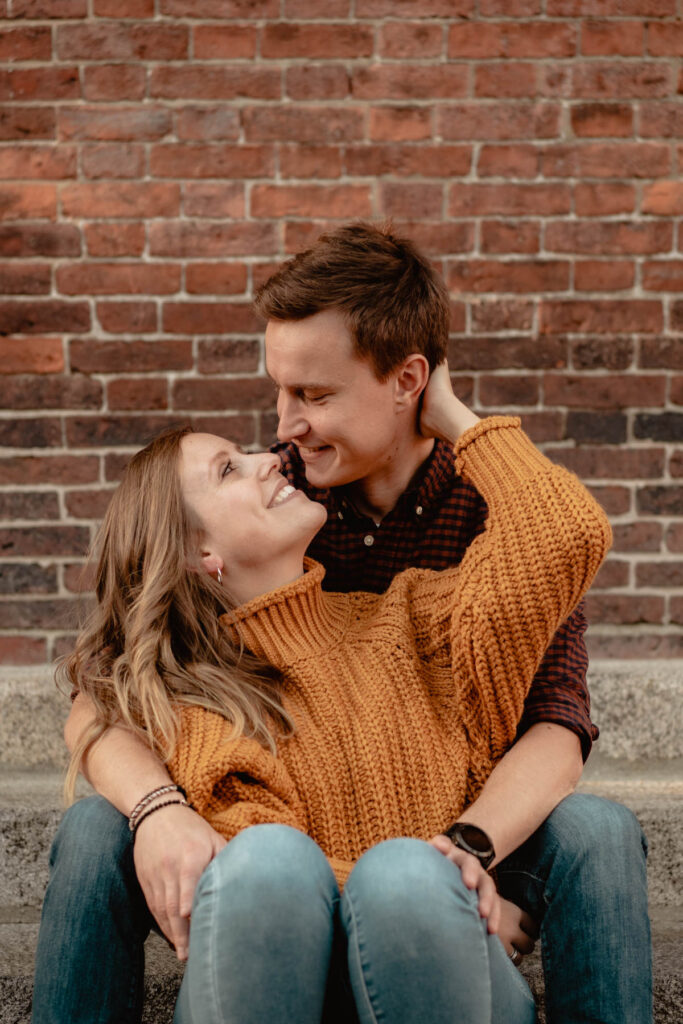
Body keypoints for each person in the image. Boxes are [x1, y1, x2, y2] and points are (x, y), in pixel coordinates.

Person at [31, 223, 651, 1024]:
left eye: (314, 396)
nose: (282, 433)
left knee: (594, 829)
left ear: (407, 381)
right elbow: (109, 688)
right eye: (280, 391)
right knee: (103, 827)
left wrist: (463, 860)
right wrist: (159, 809)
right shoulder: (274, 514)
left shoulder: (474, 531)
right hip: (293, 893)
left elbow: (557, 718)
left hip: (467, 833)